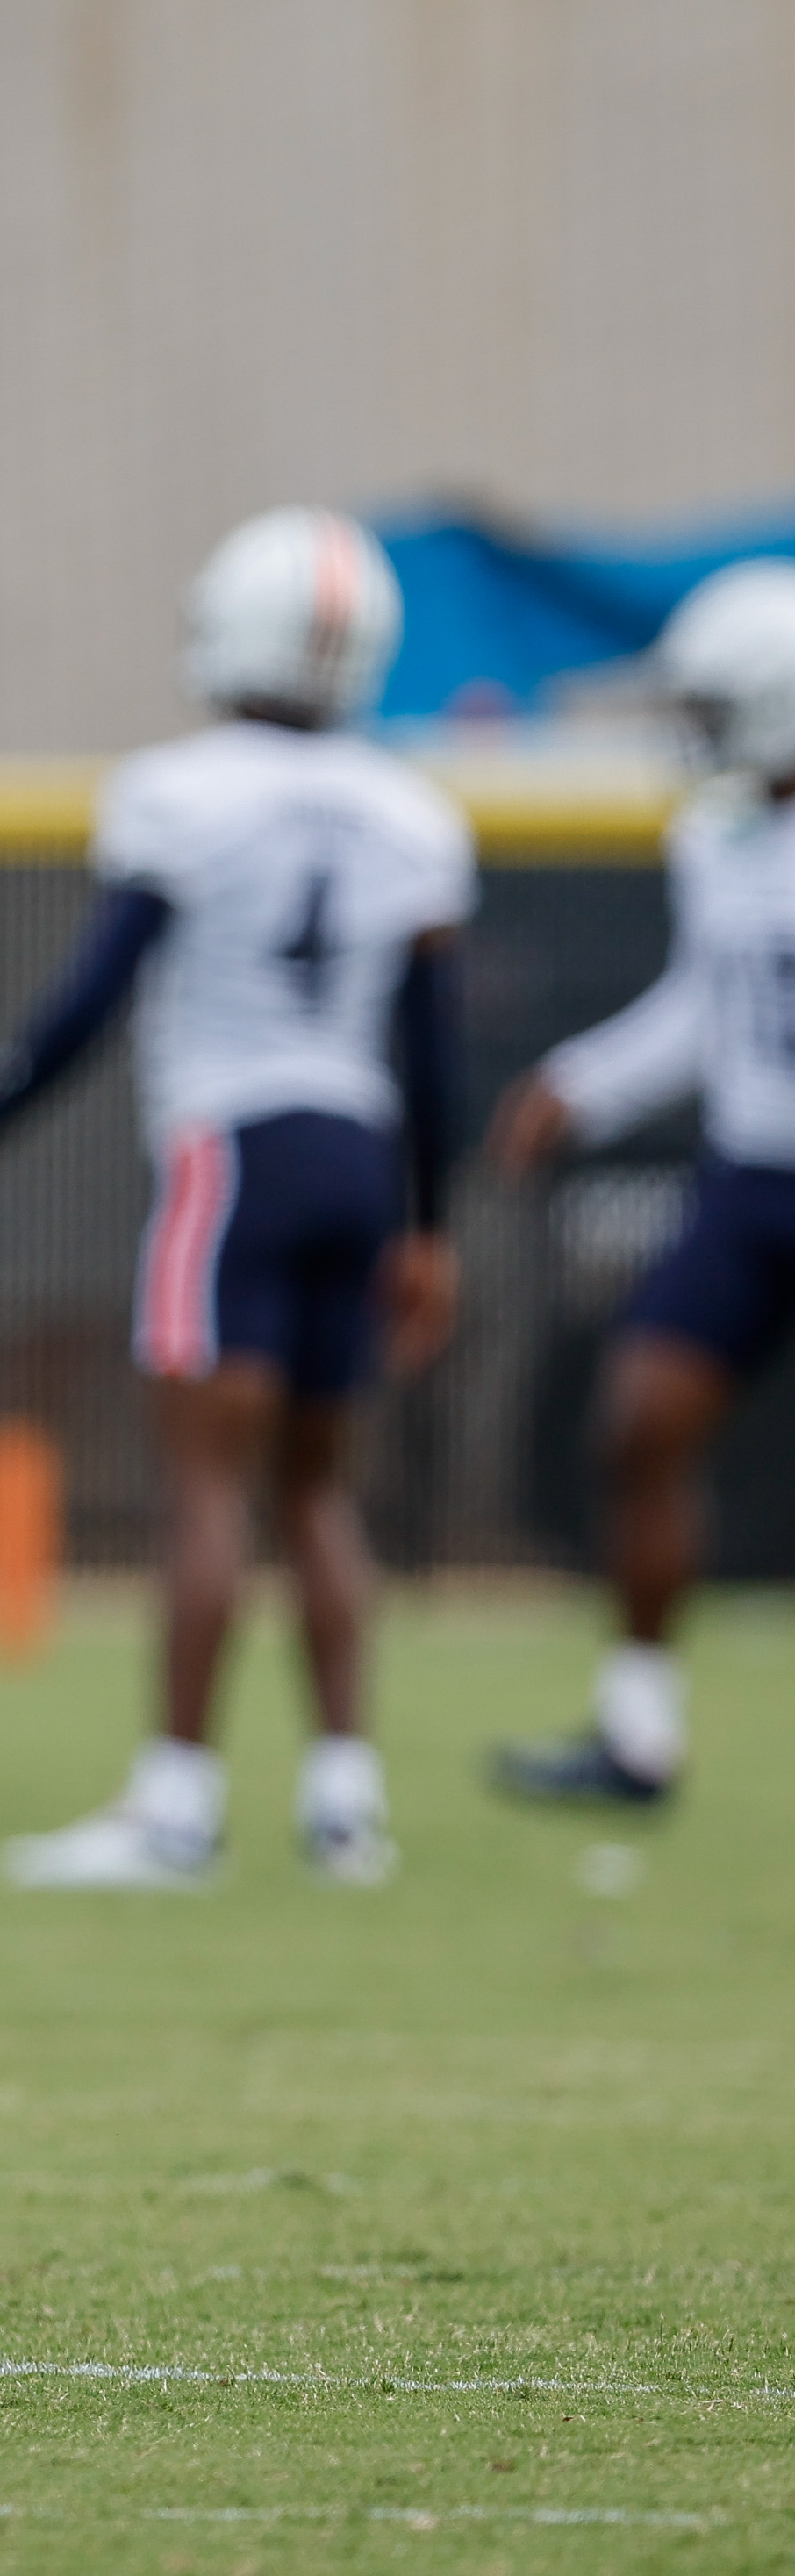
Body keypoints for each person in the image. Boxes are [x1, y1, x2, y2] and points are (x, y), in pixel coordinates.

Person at [0, 510, 465, 1889]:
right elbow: (436, 1048)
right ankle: (348, 1804)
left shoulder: (180, 791)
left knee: (209, 1484)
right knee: (319, 1490)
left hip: (234, 1150)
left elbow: (96, 994)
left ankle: (177, 1804)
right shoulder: (415, 809)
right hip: (359, 1150)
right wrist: (433, 1225)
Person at [478, 560, 795, 1814]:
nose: (697, 736)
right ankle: (638, 1735)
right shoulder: (716, 839)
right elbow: (702, 1009)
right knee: (639, 1425)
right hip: (751, 1180)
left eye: (716, 708)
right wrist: (582, 1083)